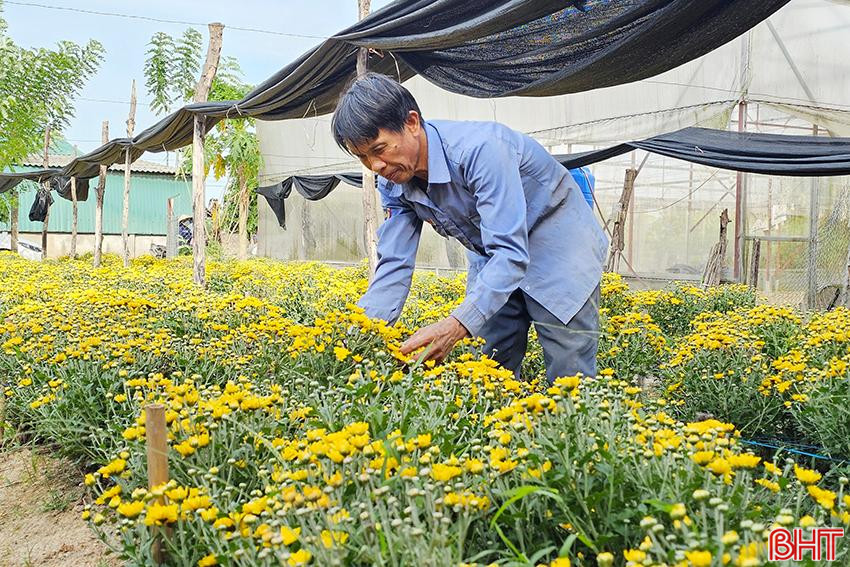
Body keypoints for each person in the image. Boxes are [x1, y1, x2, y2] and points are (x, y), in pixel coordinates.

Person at [331, 73, 607, 382]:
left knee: (570, 373)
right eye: (363, 157)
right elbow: (394, 262)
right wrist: (362, 333)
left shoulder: (481, 151)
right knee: (490, 368)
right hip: (492, 255)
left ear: (412, 122)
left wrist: (455, 326)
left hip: (559, 250)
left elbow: (511, 253)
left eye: (379, 149)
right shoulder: (393, 182)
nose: (376, 166)